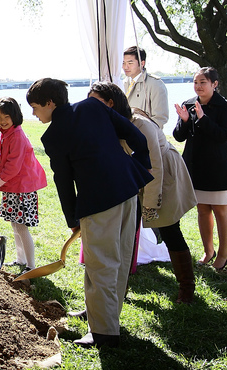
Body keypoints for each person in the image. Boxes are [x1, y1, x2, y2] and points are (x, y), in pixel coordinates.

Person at [26, 78, 152, 349]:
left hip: (98, 203)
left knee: (101, 266)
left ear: (50, 103)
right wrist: (136, 168)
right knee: (119, 260)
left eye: (36, 107)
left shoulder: (53, 135)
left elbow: (64, 180)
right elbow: (136, 136)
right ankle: (109, 321)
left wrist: (73, 219)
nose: (34, 114)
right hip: (129, 192)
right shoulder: (94, 107)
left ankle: (104, 333)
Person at [89, 82, 198, 303]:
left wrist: (150, 205)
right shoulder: (108, 123)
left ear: (110, 103)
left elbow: (154, 167)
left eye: (95, 101)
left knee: (169, 229)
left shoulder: (140, 124)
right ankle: (119, 291)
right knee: (126, 234)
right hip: (135, 177)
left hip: (163, 177)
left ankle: (186, 287)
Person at [174, 67, 227, 271]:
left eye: (203, 82)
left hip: (217, 166)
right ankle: (209, 251)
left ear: (214, 84)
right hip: (195, 165)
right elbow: (179, 136)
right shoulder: (189, 104)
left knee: (220, 210)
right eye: (196, 82)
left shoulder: (225, 107)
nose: (198, 86)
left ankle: (224, 254)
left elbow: (223, 135)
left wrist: (203, 119)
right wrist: (183, 121)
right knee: (202, 209)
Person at [0, 97, 47, 272]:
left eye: (6, 117)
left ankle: (31, 265)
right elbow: (2, 159)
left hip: (22, 188)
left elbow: (13, 167)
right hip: (12, 186)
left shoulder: (17, 136)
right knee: (15, 224)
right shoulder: (5, 134)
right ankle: (20, 259)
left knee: (21, 227)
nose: (3, 121)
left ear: (15, 116)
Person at [122, 46, 169, 129]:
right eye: (123, 63)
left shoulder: (155, 84)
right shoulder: (123, 83)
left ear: (142, 63)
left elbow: (160, 118)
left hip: (145, 136)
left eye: (130, 63)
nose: (125, 67)